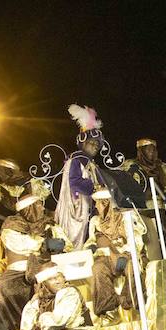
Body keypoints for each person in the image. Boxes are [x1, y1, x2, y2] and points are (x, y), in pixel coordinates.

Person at [0, 193, 71, 330]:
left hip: (44, 264)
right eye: (38, 205)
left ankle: (42, 325)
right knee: (1, 285)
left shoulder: (49, 225)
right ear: (29, 209)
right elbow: (21, 243)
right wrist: (44, 243)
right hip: (19, 268)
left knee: (48, 283)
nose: (42, 208)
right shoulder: (12, 225)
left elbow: (67, 245)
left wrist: (61, 245)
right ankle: (9, 328)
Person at [57, 104, 105, 249]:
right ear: (83, 143)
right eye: (92, 143)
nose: (95, 147)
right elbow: (75, 182)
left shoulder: (92, 165)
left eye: (97, 145)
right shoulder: (76, 159)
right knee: (73, 241)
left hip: (87, 209)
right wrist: (96, 188)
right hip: (76, 209)